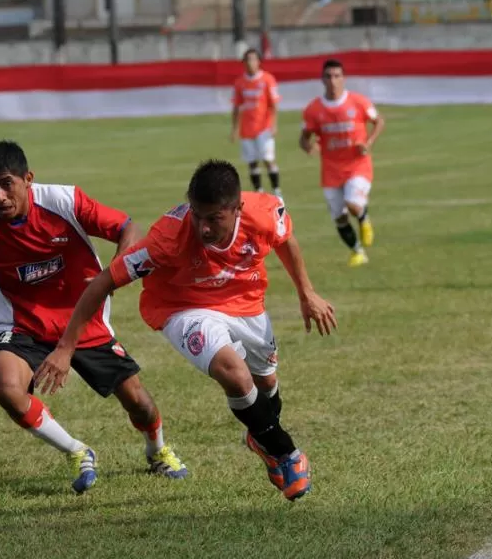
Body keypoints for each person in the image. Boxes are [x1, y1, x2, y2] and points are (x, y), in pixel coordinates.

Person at [0, 140, 188, 493]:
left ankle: (157, 451)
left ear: (28, 178)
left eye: (7, 183)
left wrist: (111, 279)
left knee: (140, 403)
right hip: (21, 323)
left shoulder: (64, 202)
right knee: (5, 387)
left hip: (82, 318)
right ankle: (77, 451)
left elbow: (126, 228)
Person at [35, 160, 337, 502]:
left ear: (237, 208)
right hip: (182, 307)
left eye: (213, 219)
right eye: (197, 215)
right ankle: (286, 452)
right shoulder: (167, 238)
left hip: (244, 300)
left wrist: (306, 292)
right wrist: (66, 347)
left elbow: (284, 240)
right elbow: (103, 281)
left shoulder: (265, 211)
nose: (203, 227)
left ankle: (261, 437)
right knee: (235, 375)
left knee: (266, 382)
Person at [299, 59, 386, 268]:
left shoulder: (358, 102)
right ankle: (357, 252)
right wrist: (309, 147)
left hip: (358, 165)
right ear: (322, 79)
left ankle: (364, 218)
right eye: (328, 76)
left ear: (343, 78)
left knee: (353, 203)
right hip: (330, 170)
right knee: (339, 218)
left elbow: (379, 121)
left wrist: (368, 142)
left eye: (337, 76)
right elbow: (304, 138)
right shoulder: (314, 109)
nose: (333, 81)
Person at [230, 49, 282, 197]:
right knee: (252, 162)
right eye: (247, 60)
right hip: (247, 129)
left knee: (267, 159)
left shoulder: (267, 79)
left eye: (253, 59)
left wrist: (274, 124)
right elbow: (236, 106)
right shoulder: (239, 82)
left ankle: (277, 191)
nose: (250, 63)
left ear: (259, 61)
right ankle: (259, 192)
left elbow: (274, 104)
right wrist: (234, 129)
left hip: (264, 128)